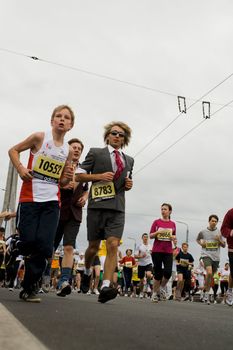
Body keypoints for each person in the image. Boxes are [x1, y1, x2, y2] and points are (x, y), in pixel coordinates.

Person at [8, 105, 75, 302]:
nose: (62, 120)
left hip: (52, 201)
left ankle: (29, 288)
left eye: (66, 118)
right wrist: (21, 168)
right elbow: (13, 150)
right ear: (52, 120)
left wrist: (67, 178)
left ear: (71, 125)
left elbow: (62, 182)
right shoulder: (39, 137)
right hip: (30, 198)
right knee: (29, 242)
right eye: (58, 116)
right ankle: (18, 247)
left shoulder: (68, 150)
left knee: (45, 246)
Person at [76, 121, 134, 303]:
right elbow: (78, 175)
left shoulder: (129, 160)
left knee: (113, 245)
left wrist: (129, 185)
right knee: (93, 247)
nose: (117, 136)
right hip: (97, 207)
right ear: (108, 136)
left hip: (117, 208)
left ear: (124, 139)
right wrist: (98, 177)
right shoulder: (95, 153)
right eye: (114, 133)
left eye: (121, 134)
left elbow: (126, 182)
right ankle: (86, 271)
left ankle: (105, 286)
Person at [52, 137, 88, 297]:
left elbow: (87, 187)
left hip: (75, 213)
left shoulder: (84, 170)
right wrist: (63, 183)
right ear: (68, 149)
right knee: (50, 247)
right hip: (57, 210)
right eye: (74, 147)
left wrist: (85, 197)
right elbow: (50, 183)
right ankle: (43, 276)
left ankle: (64, 281)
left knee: (68, 247)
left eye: (79, 148)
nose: (77, 150)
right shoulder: (59, 164)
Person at [150, 203, 176, 303]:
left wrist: (173, 238)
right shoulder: (156, 222)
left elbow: (173, 236)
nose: (163, 211)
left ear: (170, 211)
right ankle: (154, 294)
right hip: (157, 250)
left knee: (168, 272)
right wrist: (157, 233)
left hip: (168, 251)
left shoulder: (173, 224)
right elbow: (151, 235)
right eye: (162, 209)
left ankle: (161, 288)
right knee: (158, 273)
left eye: (165, 209)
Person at [196, 215, 225, 305]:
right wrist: (201, 243)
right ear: (209, 221)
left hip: (216, 257)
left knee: (210, 276)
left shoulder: (220, 232)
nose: (214, 222)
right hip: (206, 255)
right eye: (212, 221)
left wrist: (219, 239)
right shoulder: (203, 232)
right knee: (208, 272)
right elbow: (197, 239)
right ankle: (206, 294)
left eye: (216, 221)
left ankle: (206, 292)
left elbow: (224, 245)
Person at [134, 233, 153, 299]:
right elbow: (135, 256)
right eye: (144, 237)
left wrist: (152, 253)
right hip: (141, 264)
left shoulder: (150, 246)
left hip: (149, 262)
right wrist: (141, 256)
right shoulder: (139, 246)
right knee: (141, 281)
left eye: (146, 237)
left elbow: (152, 253)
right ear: (142, 238)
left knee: (149, 275)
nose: (145, 238)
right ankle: (141, 292)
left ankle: (147, 285)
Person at [220, 209, 233, 306]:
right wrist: (231, 232)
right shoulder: (231, 213)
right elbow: (223, 229)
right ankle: (230, 290)